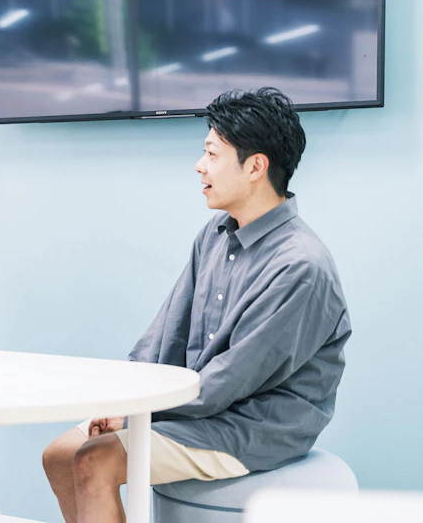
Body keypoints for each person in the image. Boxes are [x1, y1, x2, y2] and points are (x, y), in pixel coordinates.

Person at [41, 87, 352, 523]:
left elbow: (230, 381)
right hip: (197, 407)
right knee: (59, 454)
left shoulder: (299, 266)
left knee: (95, 461)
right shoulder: (215, 234)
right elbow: (165, 335)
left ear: (255, 167)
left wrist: (134, 413)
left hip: (253, 426)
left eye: (212, 153)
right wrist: (120, 399)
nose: (199, 165)